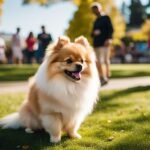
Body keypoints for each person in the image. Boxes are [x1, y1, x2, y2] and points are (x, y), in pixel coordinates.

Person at [91, 2, 114, 85]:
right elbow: (92, 33)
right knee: (98, 61)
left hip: (105, 43)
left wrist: (109, 38)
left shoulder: (106, 18)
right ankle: (102, 77)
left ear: (99, 8)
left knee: (105, 61)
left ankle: (106, 76)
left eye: (96, 9)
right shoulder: (95, 21)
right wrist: (94, 33)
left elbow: (110, 29)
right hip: (97, 43)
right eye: (93, 10)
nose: (95, 11)